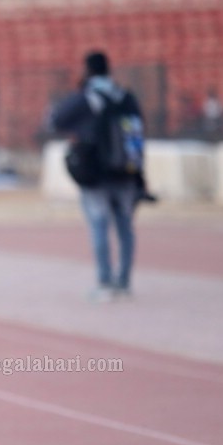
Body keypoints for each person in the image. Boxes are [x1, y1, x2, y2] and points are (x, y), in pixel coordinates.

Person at [51, 51, 144, 302]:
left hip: (96, 173)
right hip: (126, 172)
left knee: (99, 226)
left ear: (87, 70)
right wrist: (138, 174)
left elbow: (56, 119)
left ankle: (105, 282)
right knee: (125, 227)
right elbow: (137, 135)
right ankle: (123, 281)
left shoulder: (88, 97)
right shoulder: (125, 96)